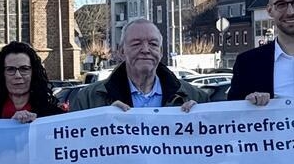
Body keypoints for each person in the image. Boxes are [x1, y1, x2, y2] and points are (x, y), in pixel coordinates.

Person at [67, 20, 206, 113]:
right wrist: (103, 119)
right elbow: (76, 143)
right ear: (121, 51)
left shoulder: (196, 97)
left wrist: (201, 116)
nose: (145, 50)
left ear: (161, 52)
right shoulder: (88, 99)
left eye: (153, 44)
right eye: (136, 44)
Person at [0, 41, 64, 121]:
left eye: (24, 69)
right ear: (2, 74)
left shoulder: (54, 117)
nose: (18, 75)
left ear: (33, 73)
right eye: (10, 69)